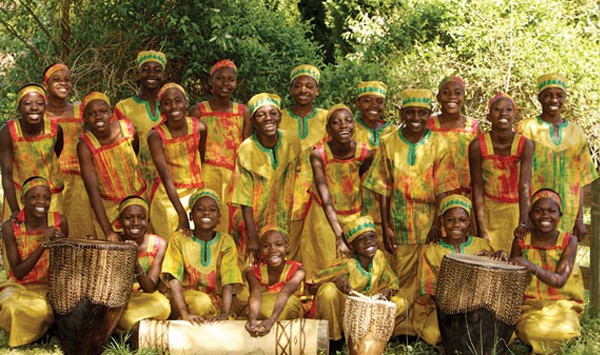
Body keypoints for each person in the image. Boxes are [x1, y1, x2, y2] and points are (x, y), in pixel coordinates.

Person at [362, 88, 459, 311]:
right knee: (401, 275)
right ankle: (398, 325)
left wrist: (438, 223)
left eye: (422, 113)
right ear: (401, 113)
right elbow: (382, 188)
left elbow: (444, 188)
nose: (416, 118)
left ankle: (421, 323)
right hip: (399, 219)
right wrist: (386, 226)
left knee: (429, 274)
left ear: (429, 113)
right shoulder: (389, 142)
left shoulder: (439, 144)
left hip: (430, 222)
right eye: (410, 112)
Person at [517, 74, 598, 239]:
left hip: (567, 210)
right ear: (539, 98)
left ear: (565, 98)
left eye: (559, 95)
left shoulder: (577, 132)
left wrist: (580, 218)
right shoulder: (527, 128)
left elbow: (580, 180)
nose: (554, 100)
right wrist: (525, 215)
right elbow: (516, 175)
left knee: (562, 253)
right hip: (535, 209)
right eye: (547, 95)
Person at [308, 216, 408, 348]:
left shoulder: (379, 257)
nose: (369, 242)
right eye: (361, 239)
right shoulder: (346, 264)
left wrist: (387, 292)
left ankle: (372, 337)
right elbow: (312, 286)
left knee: (401, 303)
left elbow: (394, 282)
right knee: (328, 291)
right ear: (352, 246)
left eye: (372, 236)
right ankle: (334, 341)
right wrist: (335, 279)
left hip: (367, 313)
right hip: (346, 314)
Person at [301, 103, 372, 277]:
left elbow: (365, 179)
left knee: (353, 267)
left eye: (348, 121)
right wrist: (339, 235)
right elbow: (325, 197)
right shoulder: (318, 154)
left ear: (354, 126)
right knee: (326, 264)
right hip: (323, 213)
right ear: (328, 129)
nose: (343, 126)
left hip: (353, 213)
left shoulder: (364, 152)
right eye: (336, 122)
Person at [413, 194, 493, 348]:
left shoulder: (481, 245)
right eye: (450, 220)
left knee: (491, 329)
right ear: (442, 221)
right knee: (434, 333)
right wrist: (456, 308)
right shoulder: (431, 249)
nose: (456, 224)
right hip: (442, 309)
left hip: (476, 308)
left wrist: (499, 256)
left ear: (469, 222)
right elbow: (428, 289)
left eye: (462, 220)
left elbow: (491, 280)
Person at [230, 93, 302, 263]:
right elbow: (243, 197)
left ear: (280, 116)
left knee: (285, 259)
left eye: (273, 113)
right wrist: (252, 236)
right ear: (253, 121)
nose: (268, 118)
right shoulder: (246, 150)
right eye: (261, 114)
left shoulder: (292, 141)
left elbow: (301, 177)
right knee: (251, 262)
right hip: (254, 218)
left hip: (285, 214)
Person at [511, 188, 585, 354]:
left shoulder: (568, 241)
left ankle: (546, 344)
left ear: (560, 215)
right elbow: (512, 277)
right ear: (530, 216)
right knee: (530, 330)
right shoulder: (522, 240)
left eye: (552, 211)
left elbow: (559, 281)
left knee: (566, 330)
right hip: (532, 305)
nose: (545, 216)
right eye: (538, 211)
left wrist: (532, 267)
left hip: (564, 304)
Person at [0, 177, 68, 347]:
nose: (42, 202)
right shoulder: (11, 227)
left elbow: (66, 262)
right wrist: (43, 244)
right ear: (23, 200)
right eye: (35, 197)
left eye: (46, 197)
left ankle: (41, 327)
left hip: (50, 288)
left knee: (50, 308)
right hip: (19, 287)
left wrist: (61, 244)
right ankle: (42, 328)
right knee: (12, 307)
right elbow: (18, 272)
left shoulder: (59, 221)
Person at [162, 188, 243, 323]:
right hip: (185, 301)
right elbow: (173, 278)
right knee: (201, 303)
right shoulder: (179, 239)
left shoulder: (225, 241)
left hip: (217, 303)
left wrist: (224, 315)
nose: (206, 212)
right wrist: (184, 313)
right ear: (191, 216)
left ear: (219, 217)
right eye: (200, 209)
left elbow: (228, 280)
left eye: (212, 210)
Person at [189, 59, 251, 234]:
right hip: (207, 175)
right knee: (205, 220)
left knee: (233, 224)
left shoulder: (242, 111)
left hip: (234, 176)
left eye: (231, 79)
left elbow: (247, 150)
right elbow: (193, 151)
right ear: (211, 81)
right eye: (220, 78)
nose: (226, 83)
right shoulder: (199, 111)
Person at [78, 92, 146, 241]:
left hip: (138, 201)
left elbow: (135, 153)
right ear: (85, 118)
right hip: (109, 209)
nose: (98, 117)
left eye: (103, 111)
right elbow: (92, 191)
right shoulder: (85, 145)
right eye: (92, 113)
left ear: (111, 112)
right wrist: (108, 230)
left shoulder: (127, 128)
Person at [469, 93, 533, 252]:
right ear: (489, 116)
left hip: (515, 213)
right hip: (489, 213)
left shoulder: (525, 144)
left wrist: (523, 222)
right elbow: (477, 188)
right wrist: (481, 228)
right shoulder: (478, 145)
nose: (503, 113)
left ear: (515, 115)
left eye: (508, 109)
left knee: (514, 262)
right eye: (497, 109)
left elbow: (524, 186)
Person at [279, 64, 328, 260]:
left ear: (317, 91)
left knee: (317, 238)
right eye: (298, 86)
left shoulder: (327, 117)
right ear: (290, 90)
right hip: (286, 190)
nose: (303, 90)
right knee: (287, 237)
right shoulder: (278, 116)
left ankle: (312, 282)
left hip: (319, 189)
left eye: (309, 86)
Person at [43, 63, 96, 238]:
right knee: (54, 231)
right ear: (46, 85)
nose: (63, 83)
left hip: (79, 183)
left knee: (81, 231)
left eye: (67, 80)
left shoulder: (80, 110)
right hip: (50, 183)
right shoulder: (38, 114)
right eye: (56, 79)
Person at [148, 83, 207, 239]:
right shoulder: (156, 136)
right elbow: (166, 178)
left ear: (186, 103)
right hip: (168, 197)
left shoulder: (199, 127)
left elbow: (201, 157)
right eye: (167, 103)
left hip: (195, 193)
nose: (174, 106)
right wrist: (181, 213)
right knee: (171, 244)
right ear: (161, 109)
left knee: (194, 245)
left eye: (178, 101)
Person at [0, 84, 64, 222]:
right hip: (19, 195)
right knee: (22, 240)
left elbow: (56, 153)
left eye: (39, 103)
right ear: (19, 108)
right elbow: (6, 174)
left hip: (50, 195)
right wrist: (15, 210)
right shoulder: (8, 132)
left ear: (45, 107)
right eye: (27, 103)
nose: (34, 108)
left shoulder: (55, 129)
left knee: (55, 239)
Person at [353, 81, 396, 259]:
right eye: (367, 101)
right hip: (358, 199)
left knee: (387, 250)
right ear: (357, 103)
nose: (373, 106)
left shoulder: (392, 130)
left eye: (379, 101)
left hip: (388, 201)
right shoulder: (351, 128)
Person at [115, 50, 167, 192]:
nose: (151, 74)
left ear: (163, 75)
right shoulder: (124, 108)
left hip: (167, 179)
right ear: (138, 74)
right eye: (146, 70)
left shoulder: (172, 105)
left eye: (157, 70)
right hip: (136, 180)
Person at [116, 195, 170, 333]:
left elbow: (150, 287)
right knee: (125, 316)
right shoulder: (114, 243)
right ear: (119, 222)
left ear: (148, 221)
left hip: (147, 297)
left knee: (164, 306)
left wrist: (134, 261)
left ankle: (128, 327)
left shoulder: (159, 244)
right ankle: (134, 327)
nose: (135, 222)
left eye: (141, 218)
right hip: (123, 299)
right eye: (129, 218)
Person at [245, 228, 305, 337]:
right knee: (247, 300)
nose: (273, 249)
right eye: (266, 246)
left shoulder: (298, 270)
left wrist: (272, 319)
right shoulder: (253, 272)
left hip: (284, 310)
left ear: (287, 248)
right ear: (260, 251)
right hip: (262, 310)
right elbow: (255, 292)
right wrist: (252, 319)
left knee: (290, 302)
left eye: (278, 244)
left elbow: (285, 292)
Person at [428, 76, 481, 196]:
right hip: (436, 193)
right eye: (446, 93)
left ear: (464, 98)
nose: (452, 97)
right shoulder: (429, 125)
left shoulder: (473, 127)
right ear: (438, 98)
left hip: (467, 194)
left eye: (458, 93)